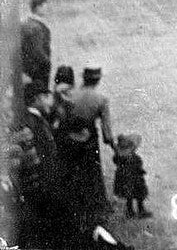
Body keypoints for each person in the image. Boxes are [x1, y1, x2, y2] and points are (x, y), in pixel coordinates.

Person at [59, 65, 114, 229]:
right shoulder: (101, 99)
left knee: (74, 172)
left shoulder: (69, 95)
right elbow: (107, 133)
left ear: (83, 77)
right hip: (89, 140)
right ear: (97, 80)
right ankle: (96, 209)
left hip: (69, 139)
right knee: (92, 174)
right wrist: (113, 145)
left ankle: (76, 209)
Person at [13, 82, 63, 249]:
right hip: (42, 187)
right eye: (47, 97)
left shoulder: (35, 119)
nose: (50, 101)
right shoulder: (32, 122)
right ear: (37, 99)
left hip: (44, 185)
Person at [113, 133, 150, 218]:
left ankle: (130, 212)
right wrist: (141, 171)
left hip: (126, 181)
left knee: (129, 197)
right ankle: (140, 210)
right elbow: (139, 167)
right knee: (139, 196)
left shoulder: (118, 158)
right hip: (136, 181)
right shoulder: (136, 158)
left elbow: (116, 163)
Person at [20, 0, 52, 89]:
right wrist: (47, 61)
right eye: (45, 7)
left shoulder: (25, 23)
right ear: (38, 7)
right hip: (38, 67)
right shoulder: (37, 27)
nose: (47, 9)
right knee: (41, 91)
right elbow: (37, 50)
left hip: (27, 66)